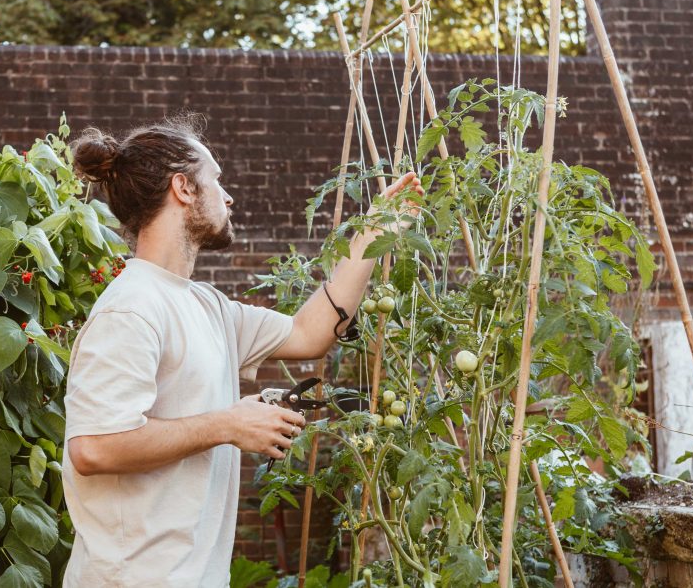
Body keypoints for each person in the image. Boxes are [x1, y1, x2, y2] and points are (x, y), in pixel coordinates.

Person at [60, 113, 422, 587]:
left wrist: (371, 233)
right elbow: (94, 448)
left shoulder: (206, 305)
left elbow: (309, 333)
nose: (227, 196)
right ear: (183, 188)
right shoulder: (130, 310)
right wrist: (229, 423)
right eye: (216, 180)